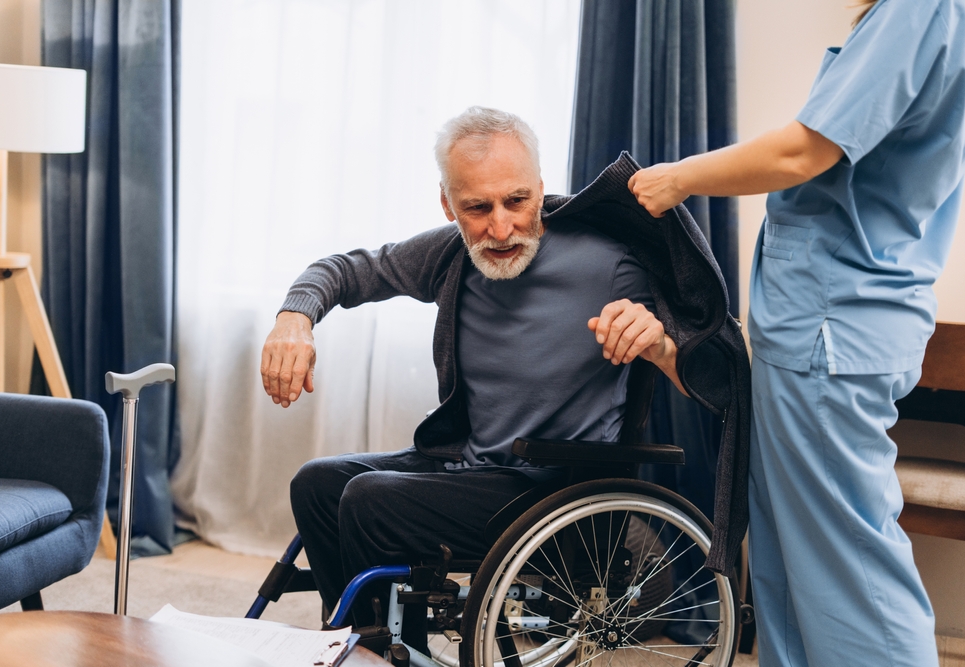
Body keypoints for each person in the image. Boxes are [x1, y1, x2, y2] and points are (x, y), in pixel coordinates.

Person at [627, 1, 965, 665]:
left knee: (849, 572)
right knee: (793, 567)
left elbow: (804, 149)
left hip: (830, 322)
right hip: (836, 318)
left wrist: (677, 178)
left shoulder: (925, 7)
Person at [259, 106, 683, 631]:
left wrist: (660, 345)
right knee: (317, 483)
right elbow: (346, 270)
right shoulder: (453, 254)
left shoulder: (610, 262)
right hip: (469, 469)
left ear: (541, 189)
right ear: (448, 205)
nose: (500, 228)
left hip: (553, 488)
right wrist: (295, 317)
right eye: (477, 207)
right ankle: (364, 638)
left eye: (517, 201)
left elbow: (712, 365)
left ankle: (375, 643)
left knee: (371, 500)